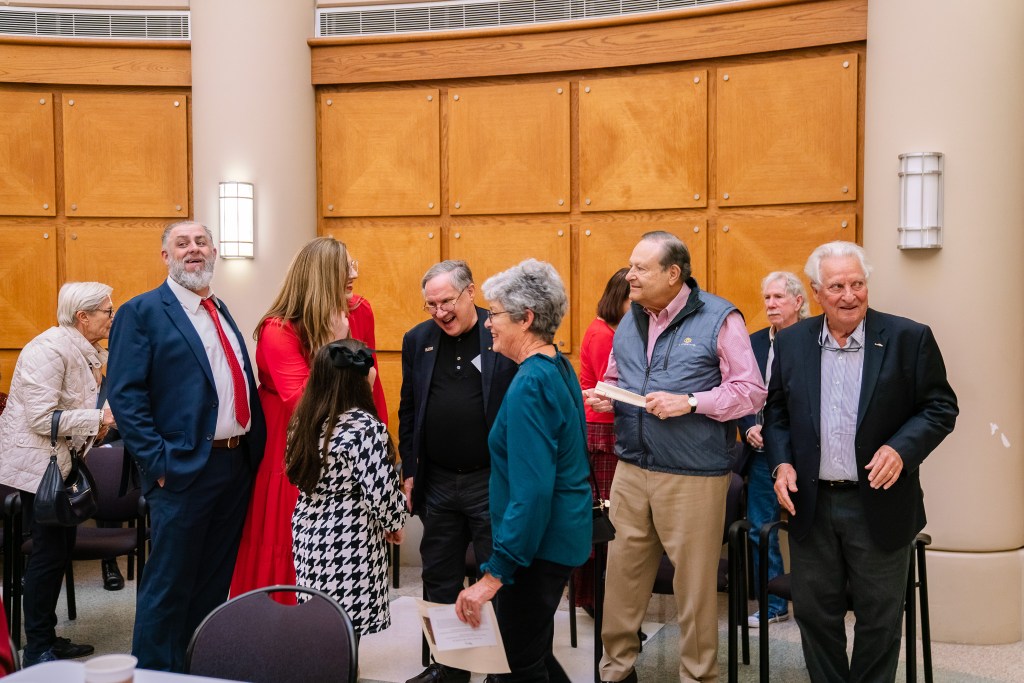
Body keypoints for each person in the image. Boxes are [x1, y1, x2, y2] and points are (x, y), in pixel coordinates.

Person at [764, 241, 958, 682]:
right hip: (811, 504)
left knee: (880, 620)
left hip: (881, 504)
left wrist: (901, 448)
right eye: (837, 286)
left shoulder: (908, 338)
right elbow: (776, 412)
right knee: (815, 615)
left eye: (858, 284)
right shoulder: (792, 342)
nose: (850, 295)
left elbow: (940, 407)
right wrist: (782, 464)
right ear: (816, 292)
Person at [584, 231, 765, 683]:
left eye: (640, 268)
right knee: (621, 577)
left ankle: (698, 676)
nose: (630, 275)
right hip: (631, 467)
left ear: (673, 273)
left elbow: (750, 391)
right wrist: (609, 395)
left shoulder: (720, 318)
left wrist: (691, 402)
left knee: (694, 587)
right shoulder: (631, 318)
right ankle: (616, 671)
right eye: (631, 266)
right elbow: (616, 375)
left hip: (694, 475)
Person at [107, 221, 266, 672]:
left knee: (213, 582)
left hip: (235, 465)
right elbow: (126, 396)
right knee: (169, 585)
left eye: (201, 242)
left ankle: (196, 670)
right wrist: (158, 464)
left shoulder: (219, 308)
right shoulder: (141, 312)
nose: (193, 249)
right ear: (166, 256)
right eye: (182, 244)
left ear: (213, 252)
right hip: (181, 470)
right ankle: (154, 675)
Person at [455, 258, 591, 683]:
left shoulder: (531, 383)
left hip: (536, 549)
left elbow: (531, 493)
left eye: (494, 313)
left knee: (514, 666)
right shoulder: (556, 364)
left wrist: (495, 573)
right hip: (552, 541)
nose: (488, 323)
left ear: (526, 318)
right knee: (533, 655)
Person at [401, 259, 517, 683]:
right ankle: (449, 668)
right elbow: (409, 409)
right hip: (437, 482)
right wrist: (409, 470)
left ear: (470, 292)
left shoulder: (500, 331)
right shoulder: (417, 339)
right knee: (439, 575)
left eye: (447, 301)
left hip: (490, 480)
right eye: (431, 305)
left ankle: (498, 670)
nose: (439, 312)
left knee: (496, 577)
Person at [0, 281, 116, 666]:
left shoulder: (81, 350)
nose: (112, 317)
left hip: (58, 463)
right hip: (37, 468)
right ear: (83, 316)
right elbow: (40, 417)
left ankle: (48, 638)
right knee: (48, 557)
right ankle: (37, 649)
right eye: (107, 311)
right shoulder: (49, 349)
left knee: (59, 553)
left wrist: (96, 426)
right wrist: (98, 418)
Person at [230, 236, 352, 603]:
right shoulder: (278, 329)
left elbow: (365, 385)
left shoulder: (348, 314)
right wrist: (336, 346)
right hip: (290, 439)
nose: (353, 274)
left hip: (335, 433)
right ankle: (283, 622)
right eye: (345, 268)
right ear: (323, 277)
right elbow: (302, 400)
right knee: (287, 533)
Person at [287, 339, 406, 637]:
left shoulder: (303, 420)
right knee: (346, 629)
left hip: (310, 534)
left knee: (319, 623)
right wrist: (395, 522)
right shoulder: (364, 427)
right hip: (351, 537)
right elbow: (383, 494)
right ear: (360, 378)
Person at [738, 271, 809, 628]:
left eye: (778, 297)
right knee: (760, 529)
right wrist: (748, 425)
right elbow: (739, 389)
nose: (770, 304)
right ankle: (774, 605)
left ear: (798, 301)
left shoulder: (814, 340)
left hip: (804, 453)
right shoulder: (752, 343)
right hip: (761, 453)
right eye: (767, 297)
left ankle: (813, 602)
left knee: (808, 529)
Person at [573, 267, 630, 617]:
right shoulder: (602, 334)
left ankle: (600, 599)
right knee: (604, 518)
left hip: (608, 426)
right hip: (602, 429)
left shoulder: (611, 330)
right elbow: (611, 387)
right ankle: (595, 598)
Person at [345, 253, 389, 421]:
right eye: (344, 268)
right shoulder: (281, 327)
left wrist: (379, 426)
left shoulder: (360, 309)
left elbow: (372, 379)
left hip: (358, 422)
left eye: (352, 265)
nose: (354, 274)